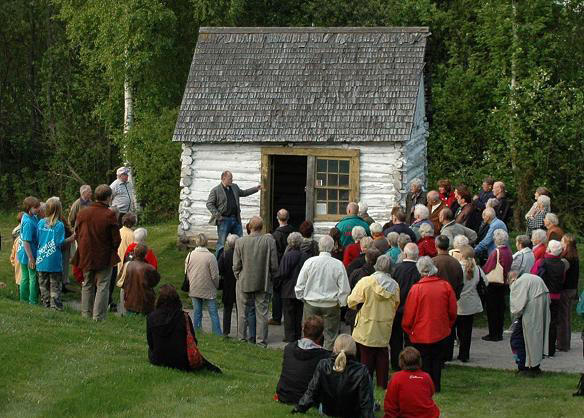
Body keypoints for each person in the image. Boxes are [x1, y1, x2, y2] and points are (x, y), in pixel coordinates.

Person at [402, 256, 457, 392]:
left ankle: (425, 387)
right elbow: (452, 310)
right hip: (440, 331)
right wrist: (447, 325)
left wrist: (408, 328)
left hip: (421, 332)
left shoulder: (416, 289)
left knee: (424, 361)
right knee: (437, 361)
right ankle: (435, 385)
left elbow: (409, 313)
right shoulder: (445, 286)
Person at [348, 255, 399, 388]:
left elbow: (351, 301)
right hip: (384, 325)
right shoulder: (394, 286)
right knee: (382, 354)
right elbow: (396, 304)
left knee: (365, 355)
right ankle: (382, 383)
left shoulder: (366, 282)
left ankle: (365, 381)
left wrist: (357, 306)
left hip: (366, 324)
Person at [294, 334, 374, 417]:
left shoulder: (323, 364)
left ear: (334, 348)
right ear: (354, 350)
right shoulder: (361, 370)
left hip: (328, 411)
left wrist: (299, 408)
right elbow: (365, 401)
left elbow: (312, 391)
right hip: (352, 413)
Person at [147, 284, 221, 373]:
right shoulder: (183, 317)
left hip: (158, 358)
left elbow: (151, 342)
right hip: (181, 361)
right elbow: (193, 340)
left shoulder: (151, 317)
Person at [74, 185, 121, 321]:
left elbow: (77, 233)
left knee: (87, 284)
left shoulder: (83, 213)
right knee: (102, 285)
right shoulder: (109, 214)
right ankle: (98, 317)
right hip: (103, 255)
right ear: (108, 198)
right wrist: (112, 250)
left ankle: (85, 314)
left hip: (86, 254)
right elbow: (116, 239)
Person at [295, 235, 351, 350]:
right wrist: (341, 302)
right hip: (330, 304)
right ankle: (326, 360)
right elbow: (344, 288)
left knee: (310, 334)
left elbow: (300, 284)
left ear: (319, 247)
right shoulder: (337, 264)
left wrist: (302, 297)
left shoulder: (310, 262)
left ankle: (309, 355)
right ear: (332, 247)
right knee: (330, 336)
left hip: (312, 302)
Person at [233, 216, 278, 347]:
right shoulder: (269, 241)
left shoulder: (240, 242)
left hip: (244, 281)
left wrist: (238, 276)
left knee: (242, 312)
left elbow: (236, 265)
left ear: (249, 226)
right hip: (263, 281)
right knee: (262, 313)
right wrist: (271, 277)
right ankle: (260, 341)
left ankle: (242, 338)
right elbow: (274, 265)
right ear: (261, 227)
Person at [275, 316, 330, 404]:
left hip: (285, 395)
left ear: (303, 329)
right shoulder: (324, 357)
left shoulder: (289, 348)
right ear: (321, 335)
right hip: (307, 399)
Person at [206, 170, 261, 257]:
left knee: (240, 241)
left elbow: (244, 193)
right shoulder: (216, 190)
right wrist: (218, 216)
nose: (232, 180)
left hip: (235, 219)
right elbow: (209, 204)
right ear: (223, 178)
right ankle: (218, 264)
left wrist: (256, 189)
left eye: (231, 178)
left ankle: (239, 261)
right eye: (230, 178)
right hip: (224, 220)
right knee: (221, 243)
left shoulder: (234, 187)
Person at [36, 197, 75, 310]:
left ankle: (46, 303)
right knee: (55, 284)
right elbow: (59, 242)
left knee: (43, 284)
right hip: (54, 259)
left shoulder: (40, 223)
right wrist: (71, 239)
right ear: (59, 210)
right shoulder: (59, 225)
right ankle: (55, 306)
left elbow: (38, 239)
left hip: (42, 258)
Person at [509, 273, 550, 377]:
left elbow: (517, 306)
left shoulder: (519, 282)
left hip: (532, 310)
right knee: (535, 338)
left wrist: (516, 317)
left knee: (518, 339)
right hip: (539, 305)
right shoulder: (530, 278)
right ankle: (534, 366)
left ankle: (524, 366)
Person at [383, 347, 440, 418]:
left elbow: (390, 404)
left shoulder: (396, 377)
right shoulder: (426, 376)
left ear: (401, 362)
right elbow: (431, 393)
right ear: (419, 361)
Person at [389, 243, 420, 370]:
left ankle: (397, 364)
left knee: (396, 339)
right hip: (411, 310)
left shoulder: (396, 268)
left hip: (397, 308)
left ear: (405, 254)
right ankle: (409, 362)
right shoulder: (419, 270)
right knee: (410, 338)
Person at [534, 240, 567, 357]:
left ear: (549, 249)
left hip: (543, 295)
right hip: (556, 296)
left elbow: (533, 277)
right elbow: (563, 279)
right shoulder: (562, 264)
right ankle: (550, 349)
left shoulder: (541, 262)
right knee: (552, 323)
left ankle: (541, 349)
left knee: (541, 322)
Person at [276, 232, 310, 342]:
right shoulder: (305, 256)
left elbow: (282, 273)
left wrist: (277, 284)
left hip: (287, 289)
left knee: (288, 314)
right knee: (299, 314)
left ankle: (289, 336)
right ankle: (297, 335)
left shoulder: (287, 256)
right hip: (300, 289)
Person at [186, 233, 221, 335]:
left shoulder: (190, 255)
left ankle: (197, 331)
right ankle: (217, 333)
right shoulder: (210, 257)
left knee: (197, 312)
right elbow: (215, 276)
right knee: (213, 312)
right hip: (208, 288)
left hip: (194, 286)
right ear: (206, 242)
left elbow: (187, 272)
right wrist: (217, 285)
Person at [482, 229, 513, 342]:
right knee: (500, 308)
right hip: (504, 281)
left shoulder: (496, 252)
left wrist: (482, 271)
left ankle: (493, 333)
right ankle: (498, 332)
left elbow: (488, 267)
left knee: (492, 309)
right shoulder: (508, 251)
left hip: (494, 282)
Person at [456, 245, 485, 362]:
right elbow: (484, 281)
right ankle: (464, 354)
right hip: (471, 302)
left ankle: (455, 353)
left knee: (457, 329)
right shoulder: (477, 268)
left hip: (459, 302)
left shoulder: (458, 268)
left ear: (462, 255)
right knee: (467, 331)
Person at [270, 208, 293, 326]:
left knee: (277, 292)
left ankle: (276, 317)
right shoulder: (293, 232)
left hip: (279, 266)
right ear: (288, 218)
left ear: (277, 218)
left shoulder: (276, 235)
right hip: (292, 265)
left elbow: (275, 253)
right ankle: (289, 316)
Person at [123, 244, 161, 315]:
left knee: (130, 322)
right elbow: (155, 281)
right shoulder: (149, 268)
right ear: (145, 255)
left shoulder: (127, 265)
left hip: (129, 301)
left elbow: (122, 281)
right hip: (144, 302)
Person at [17, 196, 41, 304]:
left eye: (38, 206)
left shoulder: (31, 216)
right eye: (36, 207)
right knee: (31, 277)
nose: (38, 209)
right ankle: (32, 301)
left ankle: (24, 299)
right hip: (27, 253)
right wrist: (31, 258)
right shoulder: (28, 222)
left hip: (25, 252)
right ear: (29, 208)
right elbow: (26, 241)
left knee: (26, 276)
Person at [558, 234, 579, 352]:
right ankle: (566, 342)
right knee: (567, 318)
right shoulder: (574, 256)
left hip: (565, 290)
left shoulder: (566, 259)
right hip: (572, 289)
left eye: (562, 240)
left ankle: (563, 344)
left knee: (562, 318)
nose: (560, 242)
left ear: (566, 243)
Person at [218, 234, 238, 337]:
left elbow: (220, 270)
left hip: (227, 285)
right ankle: (241, 331)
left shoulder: (224, 255)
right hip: (238, 284)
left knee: (227, 309)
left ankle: (226, 331)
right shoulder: (240, 254)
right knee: (241, 309)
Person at [432, 235, 464, 299]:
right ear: (448, 246)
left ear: (436, 246)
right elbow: (460, 283)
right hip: (451, 298)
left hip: (436, 299)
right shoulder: (455, 262)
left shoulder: (432, 262)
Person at [9, 213, 23, 292]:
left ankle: (19, 291)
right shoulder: (20, 230)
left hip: (17, 251)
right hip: (21, 249)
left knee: (18, 274)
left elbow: (13, 243)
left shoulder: (14, 230)